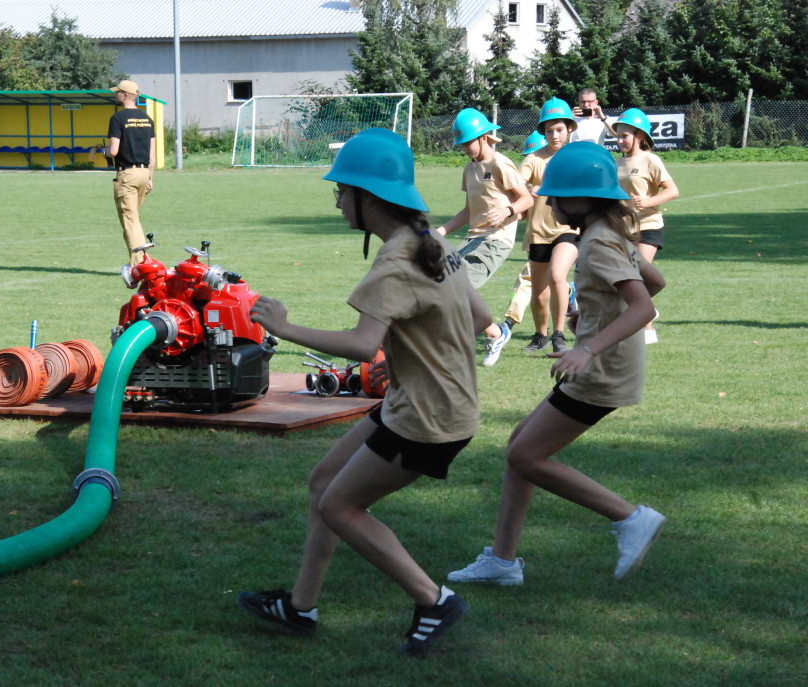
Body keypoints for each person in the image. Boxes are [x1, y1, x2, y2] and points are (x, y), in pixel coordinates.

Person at [238, 128, 492, 658]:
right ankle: (301, 607)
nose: (336, 201)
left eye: (341, 190)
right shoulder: (433, 242)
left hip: (427, 418)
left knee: (341, 507)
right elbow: (482, 318)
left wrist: (285, 327)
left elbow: (361, 346)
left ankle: (433, 599)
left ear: (368, 197)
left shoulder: (397, 262)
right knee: (324, 482)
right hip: (427, 403)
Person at [447, 141, 667, 587]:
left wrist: (587, 348)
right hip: (604, 366)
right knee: (520, 445)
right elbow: (655, 282)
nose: (551, 202)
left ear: (585, 198)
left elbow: (643, 308)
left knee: (525, 455)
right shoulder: (610, 232)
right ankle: (503, 562)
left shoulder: (600, 241)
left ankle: (630, 518)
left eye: (559, 194)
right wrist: (595, 311)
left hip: (601, 372)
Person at [434, 108, 533, 366]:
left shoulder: (501, 164)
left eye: (468, 142)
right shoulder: (469, 169)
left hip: (496, 240)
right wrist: (441, 231)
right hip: (472, 239)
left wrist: (507, 210)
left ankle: (448, 345)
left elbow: (527, 199)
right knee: (442, 283)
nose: (464, 147)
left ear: (484, 137)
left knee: (456, 288)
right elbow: (469, 211)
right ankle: (495, 333)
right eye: (462, 143)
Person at [612, 108, 680, 344]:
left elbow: (673, 191)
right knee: (627, 278)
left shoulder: (651, 160)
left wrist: (648, 201)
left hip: (649, 225)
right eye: (617, 136)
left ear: (639, 136)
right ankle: (644, 311)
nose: (620, 140)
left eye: (625, 136)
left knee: (637, 275)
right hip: (624, 229)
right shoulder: (617, 163)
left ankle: (648, 331)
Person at [518, 97, 579, 355]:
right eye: (550, 130)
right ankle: (540, 335)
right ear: (543, 131)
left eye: (560, 129)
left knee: (558, 276)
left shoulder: (575, 157)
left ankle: (559, 334)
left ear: (569, 130)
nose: (555, 135)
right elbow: (515, 186)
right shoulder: (533, 159)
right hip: (538, 231)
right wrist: (528, 189)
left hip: (568, 229)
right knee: (539, 293)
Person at [483, 130, 546, 367]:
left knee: (528, 279)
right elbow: (523, 211)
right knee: (544, 283)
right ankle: (571, 296)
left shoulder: (555, 179)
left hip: (563, 238)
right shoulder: (529, 188)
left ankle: (508, 325)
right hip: (537, 239)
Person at [107, 79, 156, 266]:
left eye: (118, 92)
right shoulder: (147, 119)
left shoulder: (117, 118)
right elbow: (152, 153)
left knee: (131, 221)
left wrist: (101, 151)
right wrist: (150, 177)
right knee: (132, 220)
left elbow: (113, 151)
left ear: (126, 95)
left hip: (127, 175)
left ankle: (140, 266)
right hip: (144, 174)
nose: (115, 94)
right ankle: (141, 261)